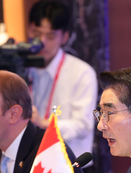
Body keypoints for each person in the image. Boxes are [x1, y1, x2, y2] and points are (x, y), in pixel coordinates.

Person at [27, 0, 98, 159]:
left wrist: (44, 123)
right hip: (28, 159)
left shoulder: (81, 72)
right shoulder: (22, 67)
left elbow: (83, 126)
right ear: (28, 30)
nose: (42, 42)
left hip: (67, 164)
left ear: (65, 37)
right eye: (36, 33)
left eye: (51, 36)